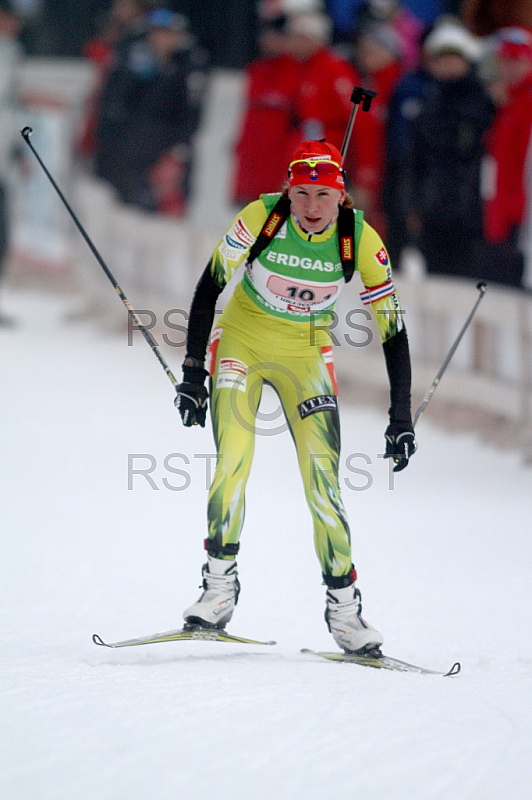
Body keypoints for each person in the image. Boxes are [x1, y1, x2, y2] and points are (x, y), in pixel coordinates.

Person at [174, 139, 416, 654]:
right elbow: (208, 286)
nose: (310, 207)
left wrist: (401, 417)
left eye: (322, 196)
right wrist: (194, 372)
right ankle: (218, 587)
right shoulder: (262, 216)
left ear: (341, 198)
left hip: (306, 356)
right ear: (288, 189)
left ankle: (346, 611)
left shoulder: (361, 238)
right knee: (233, 461)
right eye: (301, 193)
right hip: (241, 340)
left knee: (322, 480)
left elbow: (393, 331)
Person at [407, 21, 495, 278]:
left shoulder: (483, 102)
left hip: (471, 213)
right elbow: (415, 159)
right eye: (441, 59)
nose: (446, 65)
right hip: (432, 210)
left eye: (453, 58)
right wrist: (414, 203)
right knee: (435, 277)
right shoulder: (427, 102)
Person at [482, 27, 532, 289]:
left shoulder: (524, 102)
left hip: (519, 215)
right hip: (503, 211)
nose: (510, 68)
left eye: (517, 61)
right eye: (506, 62)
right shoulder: (507, 101)